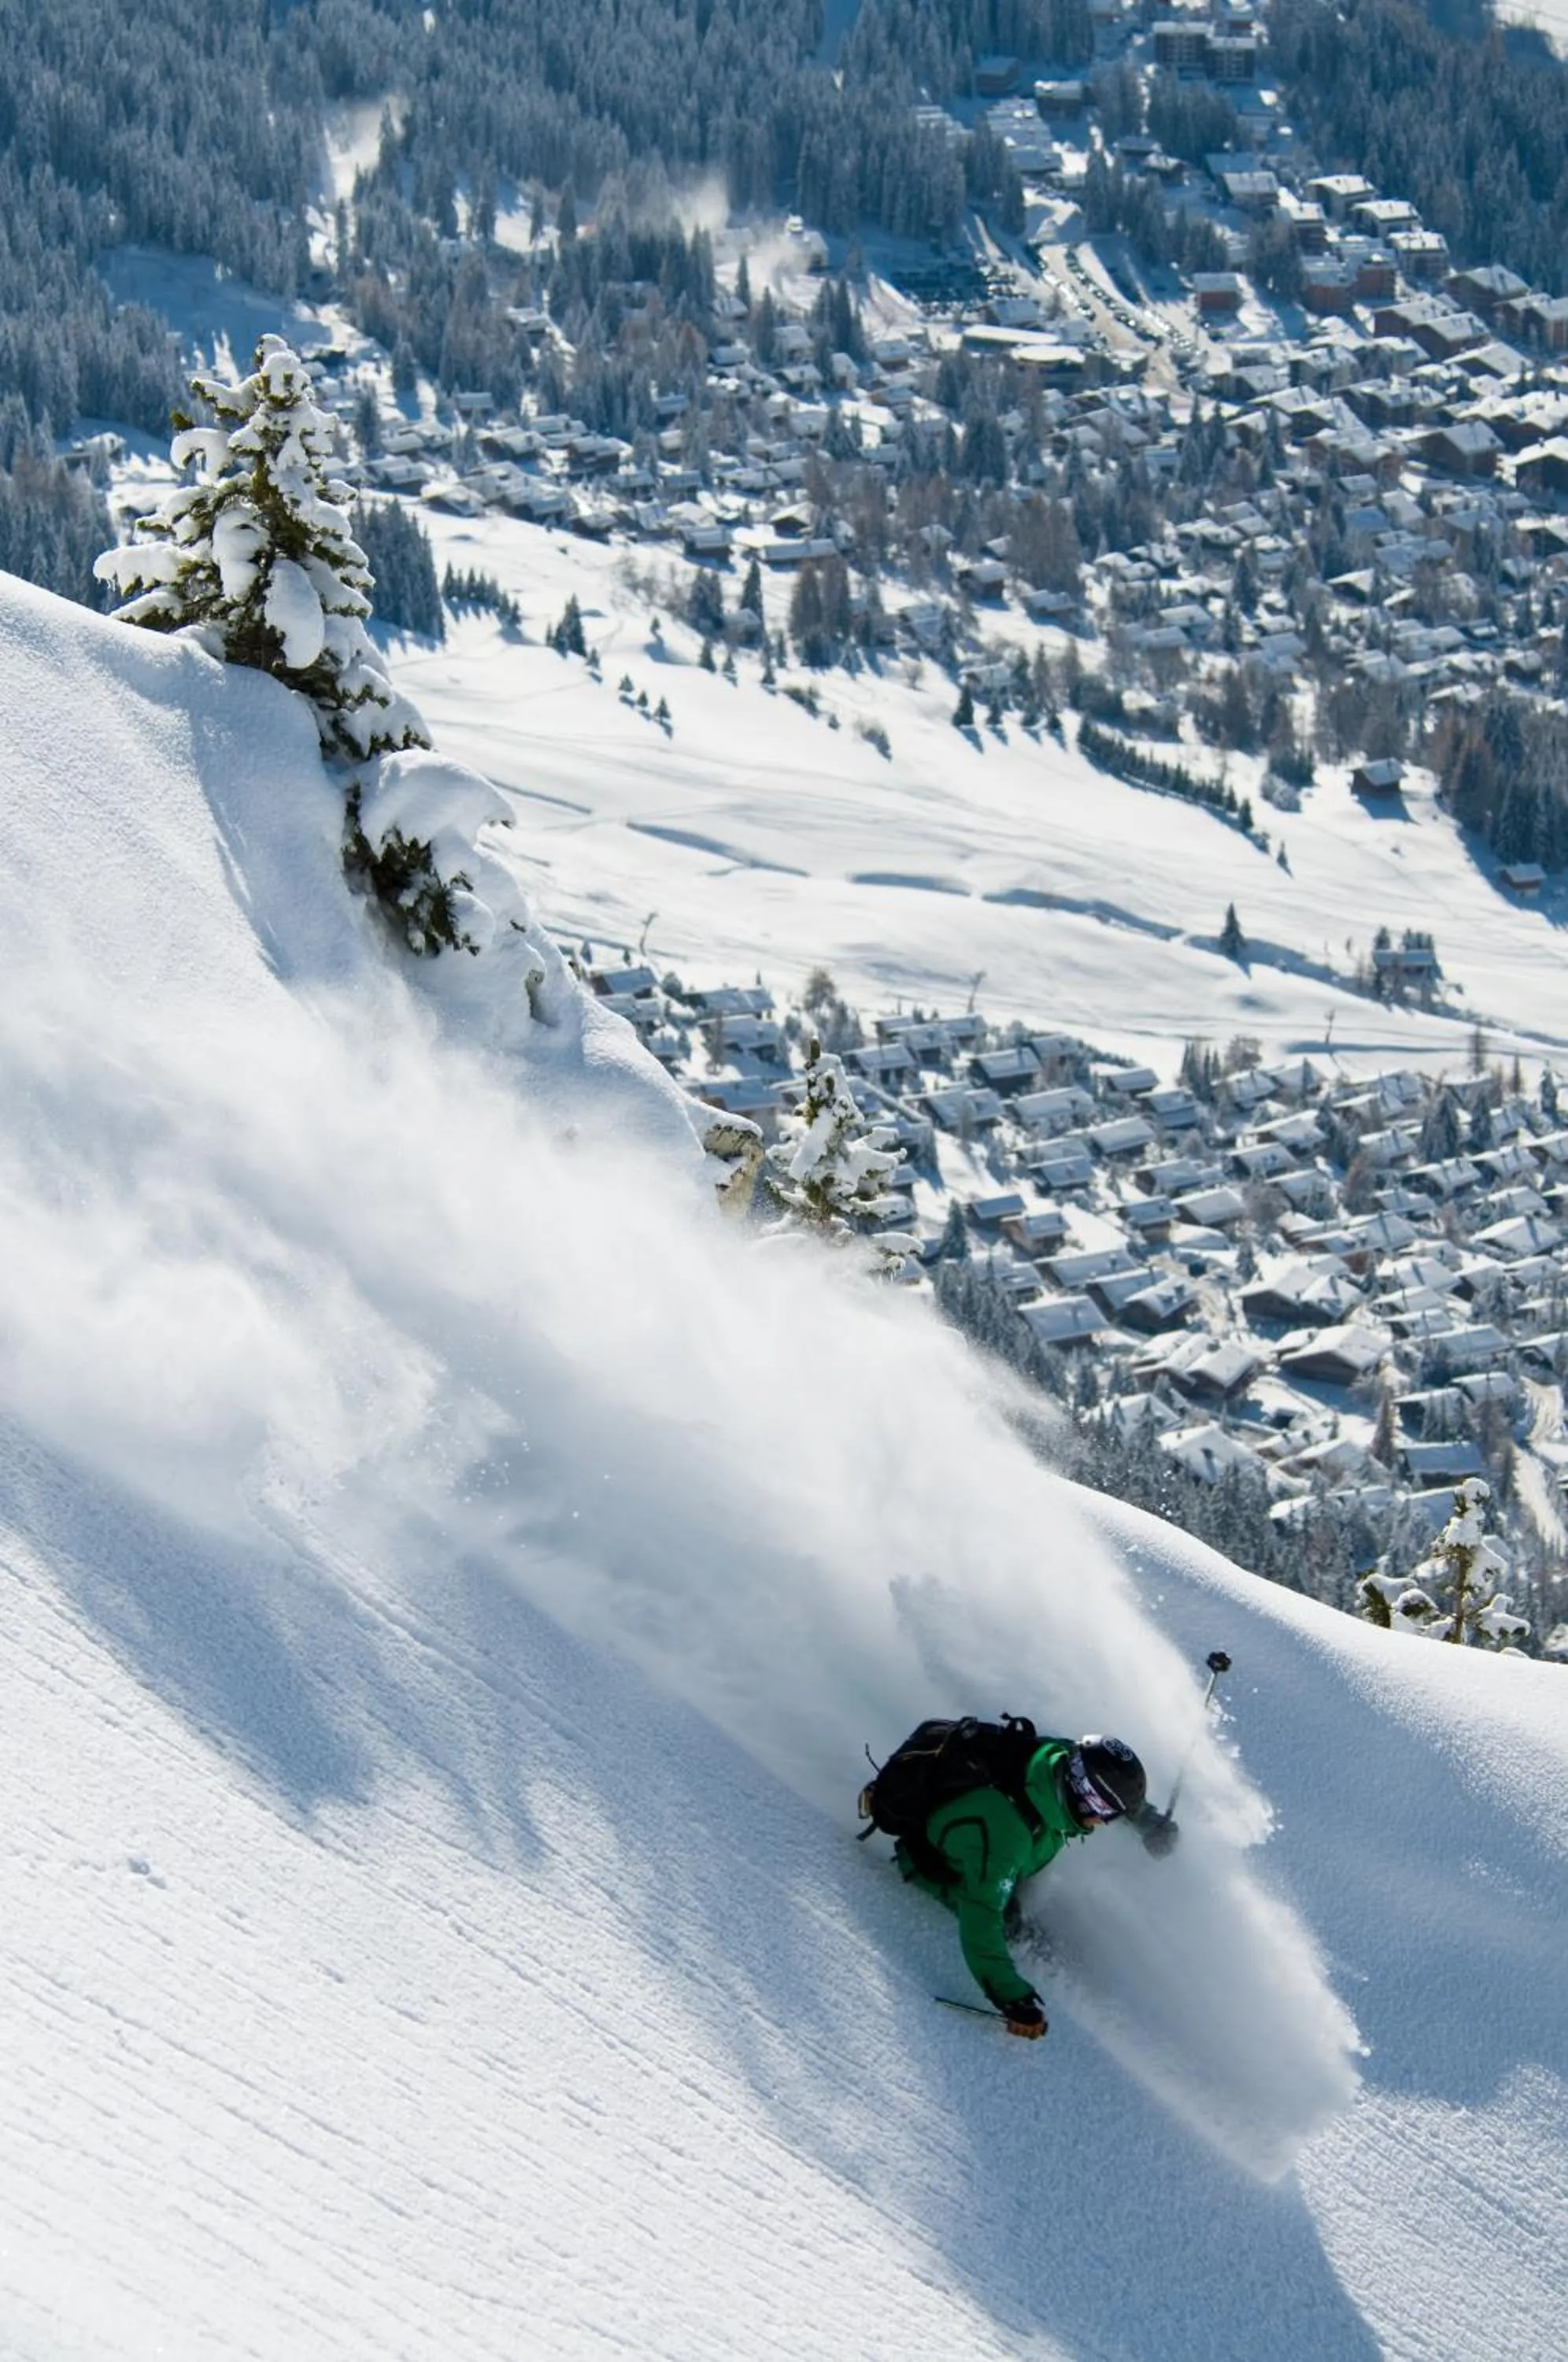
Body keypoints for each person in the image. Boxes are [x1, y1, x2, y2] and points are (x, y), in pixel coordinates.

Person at [889, 1731, 1176, 2039]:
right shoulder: (1005, 1833)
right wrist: (1012, 1998)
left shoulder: (1059, 1761)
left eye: (1113, 1814)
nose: (1105, 1822)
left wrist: (1148, 1823)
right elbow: (981, 1918)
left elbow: (1107, 1781)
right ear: (1082, 1794)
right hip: (941, 1869)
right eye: (1104, 1811)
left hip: (999, 1862)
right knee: (1007, 1921)